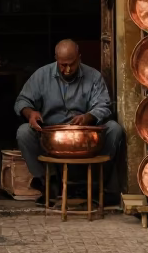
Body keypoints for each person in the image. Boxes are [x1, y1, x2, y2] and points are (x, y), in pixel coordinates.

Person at [14, 39, 124, 204]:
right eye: (62, 65)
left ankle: (98, 184)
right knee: (23, 132)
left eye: (71, 64)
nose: (67, 69)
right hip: (51, 134)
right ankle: (46, 183)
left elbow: (104, 105)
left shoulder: (93, 76)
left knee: (114, 128)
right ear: (56, 59)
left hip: (85, 134)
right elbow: (22, 101)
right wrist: (30, 113)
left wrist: (89, 116)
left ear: (79, 58)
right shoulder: (41, 75)